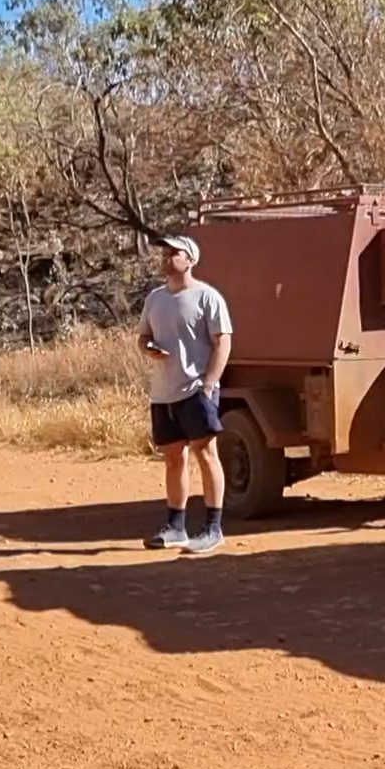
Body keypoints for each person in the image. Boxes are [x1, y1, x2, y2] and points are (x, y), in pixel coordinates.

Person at [139, 234, 233, 554]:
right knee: (173, 459)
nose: (167, 258)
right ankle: (176, 527)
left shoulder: (208, 297)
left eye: (174, 253)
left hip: (195, 390)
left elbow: (223, 342)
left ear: (190, 259)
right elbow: (143, 337)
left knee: (206, 455)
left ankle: (213, 528)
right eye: (164, 253)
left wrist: (209, 384)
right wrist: (147, 348)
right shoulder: (155, 299)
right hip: (163, 394)